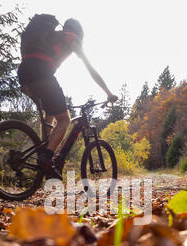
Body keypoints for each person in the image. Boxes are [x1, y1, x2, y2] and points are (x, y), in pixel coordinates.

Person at [18, 16, 118, 179]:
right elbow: (90, 69)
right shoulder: (70, 39)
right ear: (78, 33)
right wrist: (108, 93)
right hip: (42, 74)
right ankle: (47, 159)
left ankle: (44, 151)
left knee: (50, 113)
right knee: (65, 119)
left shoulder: (50, 36)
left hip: (24, 73)